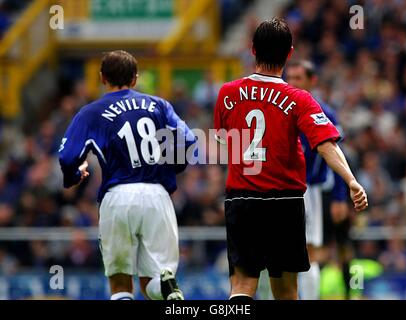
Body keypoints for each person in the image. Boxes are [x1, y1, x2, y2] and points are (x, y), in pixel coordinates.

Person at [213, 18, 368, 300]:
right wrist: (351, 181)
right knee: (286, 291)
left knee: (242, 287)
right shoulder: (299, 98)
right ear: (289, 53)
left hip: (241, 200)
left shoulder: (227, 93)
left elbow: (223, 139)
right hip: (284, 203)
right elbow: (325, 145)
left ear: (252, 49)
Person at [59, 50, 196, 300]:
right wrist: (171, 166)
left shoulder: (91, 112)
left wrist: (74, 175)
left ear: (102, 78)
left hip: (118, 196)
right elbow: (188, 140)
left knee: (120, 283)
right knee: (153, 279)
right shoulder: (159, 105)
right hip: (157, 196)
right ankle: (164, 286)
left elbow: (67, 157)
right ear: (135, 79)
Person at [286, 59, 349, 300]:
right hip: (276, 189)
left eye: (298, 78)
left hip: (308, 190)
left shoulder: (324, 113)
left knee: (309, 253)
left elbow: (336, 156)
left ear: (312, 81)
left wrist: (339, 196)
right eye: (289, 78)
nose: (292, 83)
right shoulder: (278, 110)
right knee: (274, 254)